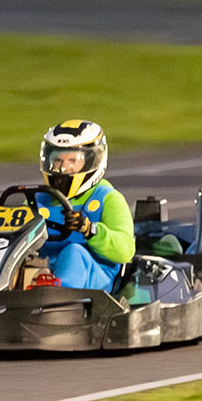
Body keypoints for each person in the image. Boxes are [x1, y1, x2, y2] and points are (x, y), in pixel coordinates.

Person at [20, 120, 136, 291]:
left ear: (91, 161)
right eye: (58, 160)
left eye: (72, 160)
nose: (63, 168)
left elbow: (125, 251)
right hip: (43, 271)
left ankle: (59, 290)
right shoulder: (36, 199)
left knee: (73, 251)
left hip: (96, 275)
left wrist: (89, 229)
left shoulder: (107, 198)